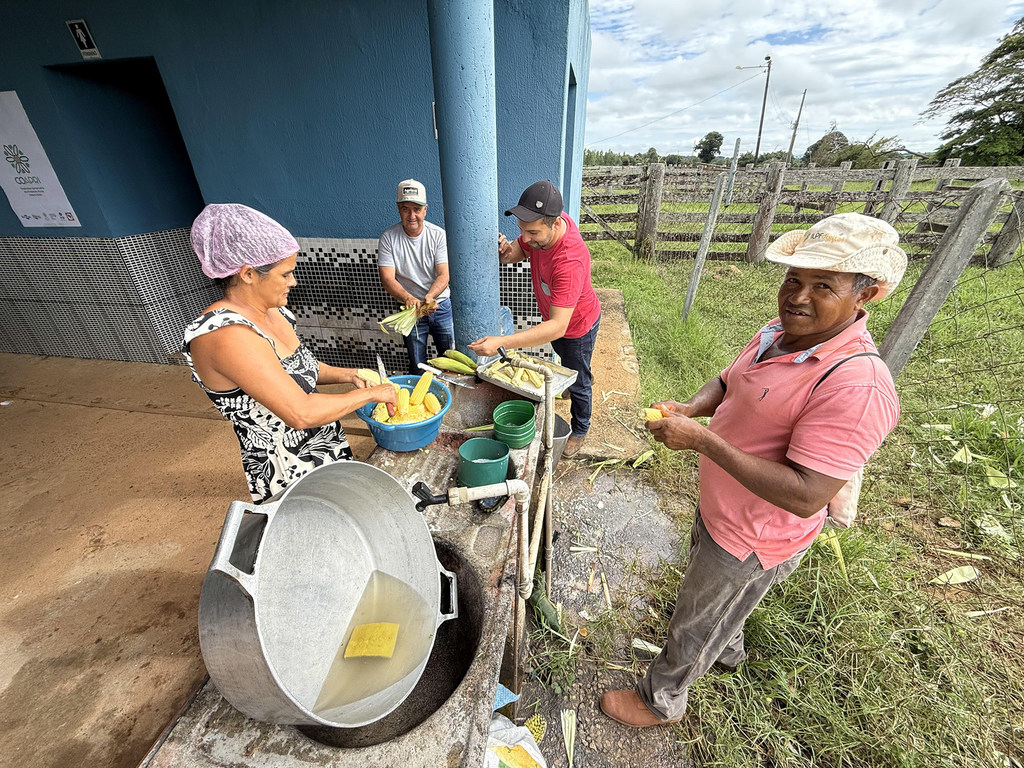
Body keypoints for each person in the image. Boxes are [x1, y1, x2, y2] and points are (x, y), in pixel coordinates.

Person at [599, 212, 907, 727]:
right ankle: (727, 649)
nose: (798, 297)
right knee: (717, 602)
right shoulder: (779, 332)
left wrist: (706, 442)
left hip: (753, 535)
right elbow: (728, 380)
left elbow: (808, 494)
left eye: (823, 285)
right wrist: (692, 409)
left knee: (695, 620)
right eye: (794, 279)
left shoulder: (856, 386)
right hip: (723, 506)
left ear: (866, 295)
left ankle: (661, 700)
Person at [183, 204, 397, 504]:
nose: (293, 282)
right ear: (247, 274)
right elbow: (301, 413)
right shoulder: (225, 335)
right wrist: (373, 396)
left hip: (323, 443)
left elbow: (302, 368)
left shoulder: (273, 310)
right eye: (285, 274)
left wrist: (349, 375)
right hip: (286, 468)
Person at [468, 180, 601, 458]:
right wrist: (506, 252)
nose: (525, 238)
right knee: (567, 362)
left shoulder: (570, 260)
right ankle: (576, 379)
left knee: (579, 378)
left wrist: (501, 342)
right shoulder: (548, 225)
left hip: (577, 326)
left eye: (532, 232)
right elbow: (517, 252)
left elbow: (557, 326)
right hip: (559, 323)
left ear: (553, 225)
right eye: (521, 230)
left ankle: (581, 427)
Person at [377, 179, 454, 374]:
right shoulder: (388, 237)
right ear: (398, 209)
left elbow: (444, 275)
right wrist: (409, 298)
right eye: (405, 209)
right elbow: (387, 278)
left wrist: (431, 297)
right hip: (410, 309)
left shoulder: (437, 235)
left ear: (425, 209)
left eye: (417, 209)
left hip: (440, 305)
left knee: (450, 360)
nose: (412, 215)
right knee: (417, 363)